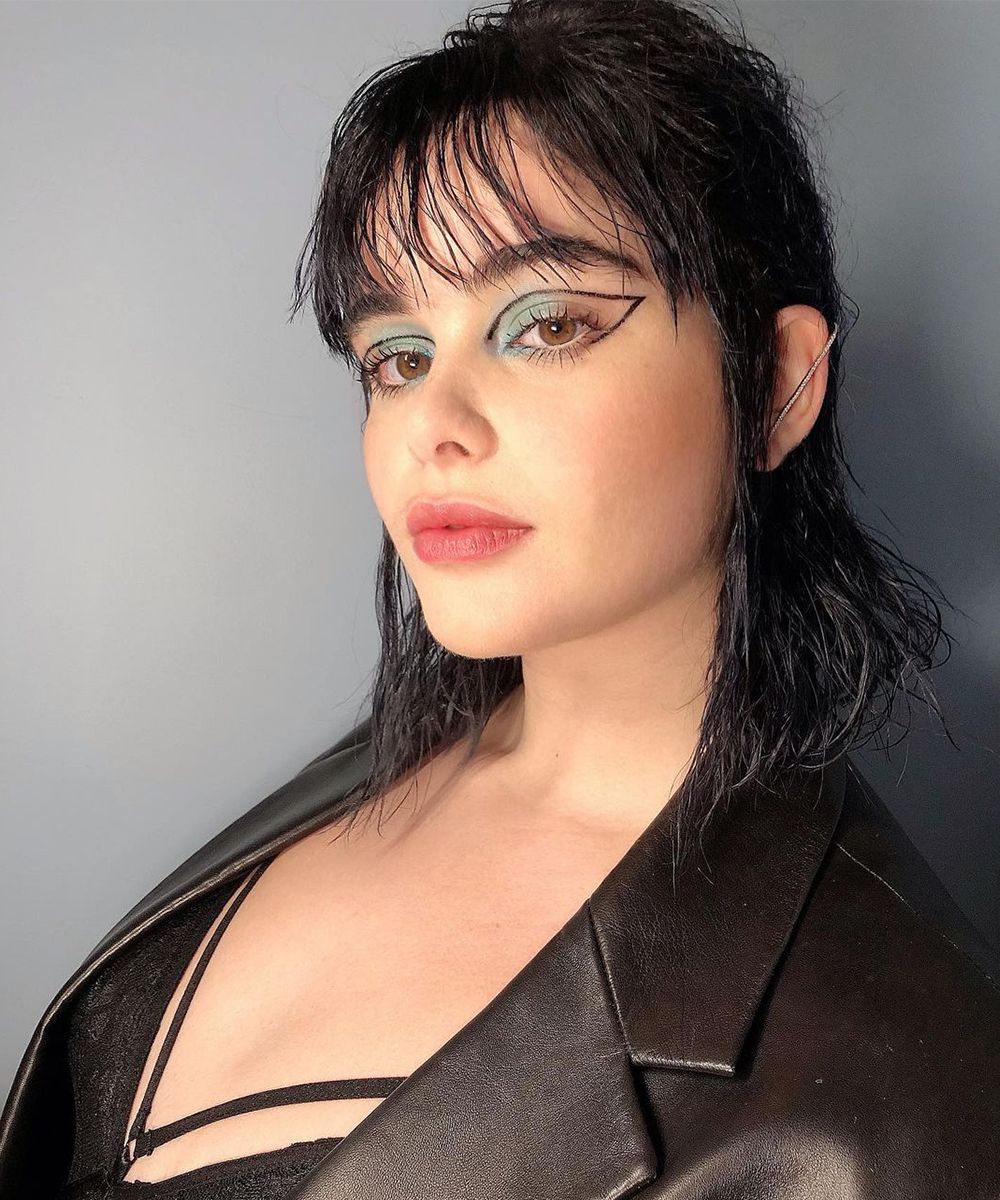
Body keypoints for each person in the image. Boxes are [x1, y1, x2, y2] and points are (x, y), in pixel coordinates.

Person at [2, 0, 998, 1196]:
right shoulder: (374, 773)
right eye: (396, 355)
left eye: (545, 325)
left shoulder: (902, 1090)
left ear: (777, 383)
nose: (434, 423)